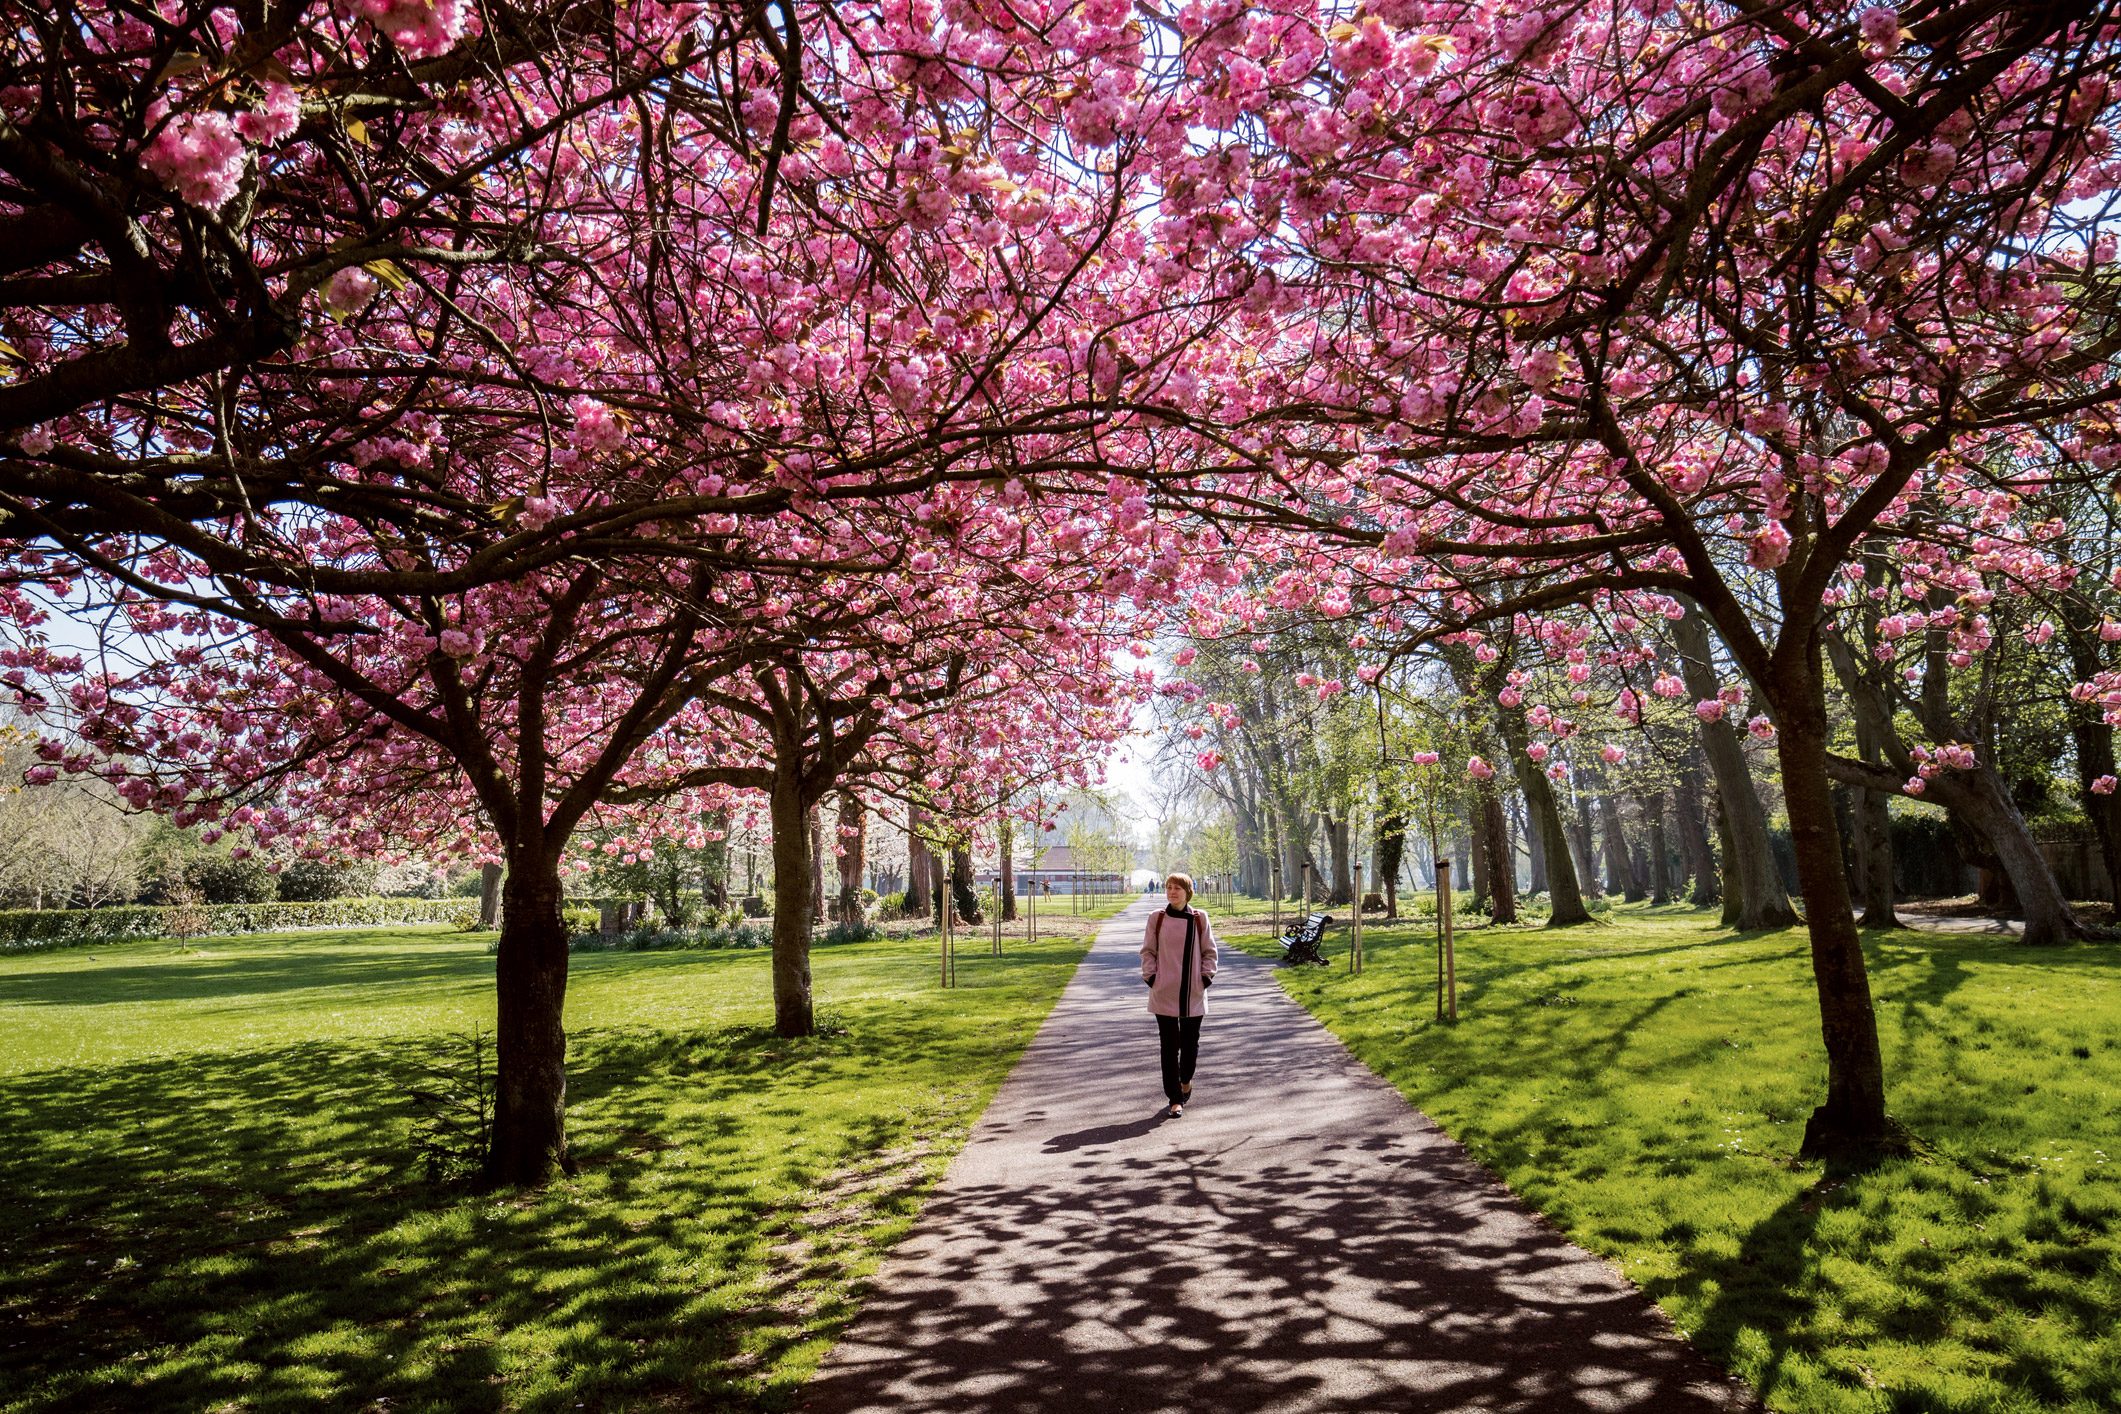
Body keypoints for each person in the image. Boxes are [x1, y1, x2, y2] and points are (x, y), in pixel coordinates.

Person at [1140, 872, 1218, 1118]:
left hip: (1192, 992)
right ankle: (1175, 1098)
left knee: (1190, 1044)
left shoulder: (1199, 918)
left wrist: (1205, 978)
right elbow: (1147, 952)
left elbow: (1210, 952)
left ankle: (1186, 1080)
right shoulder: (1157, 918)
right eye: (1169, 887)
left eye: (1177, 888)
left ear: (1188, 891)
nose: (1172, 892)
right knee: (1169, 1046)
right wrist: (1152, 977)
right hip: (1163, 992)